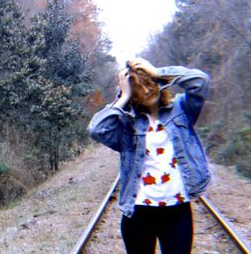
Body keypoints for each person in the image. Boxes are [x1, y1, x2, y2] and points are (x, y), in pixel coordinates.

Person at [87, 58, 211, 254]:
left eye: (149, 83)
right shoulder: (127, 124)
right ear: (133, 96)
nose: (147, 91)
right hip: (138, 213)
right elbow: (96, 129)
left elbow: (201, 81)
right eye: (139, 89)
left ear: (157, 81)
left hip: (177, 211)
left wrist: (158, 71)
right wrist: (123, 96)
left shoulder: (182, 109)